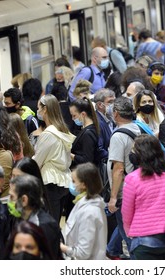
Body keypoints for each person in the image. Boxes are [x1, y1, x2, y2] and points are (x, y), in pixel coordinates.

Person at [106, 97, 142, 259]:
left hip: (124, 190)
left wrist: (113, 197)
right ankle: (112, 249)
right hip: (137, 186)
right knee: (124, 226)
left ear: (116, 113)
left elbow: (118, 169)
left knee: (128, 233)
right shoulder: (137, 128)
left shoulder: (118, 136)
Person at [33, 95, 75, 223]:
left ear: (45, 109)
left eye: (39, 108)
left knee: (49, 223)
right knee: (55, 222)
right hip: (64, 181)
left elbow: (37, 161)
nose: (38, 111)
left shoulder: (48, 134)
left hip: (50, 181)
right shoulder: (63, 130)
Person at [60, 162, 107, 260]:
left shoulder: (89, 212)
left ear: (84, 184)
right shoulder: (83, 203)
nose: (72, 184)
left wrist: (60, 247)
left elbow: (83, 253)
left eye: (74, 181)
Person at [8, 175, 61, 259]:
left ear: (24, 200)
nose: (9, 201)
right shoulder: (18, 217)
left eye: (12, 197)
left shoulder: (45, 225)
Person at [69, 98, 100, 168]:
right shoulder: (87, 129)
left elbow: (87, 160)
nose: (72, 119)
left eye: (74, 116)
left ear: (83, 114)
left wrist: (69, 154)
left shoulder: (88, 133)